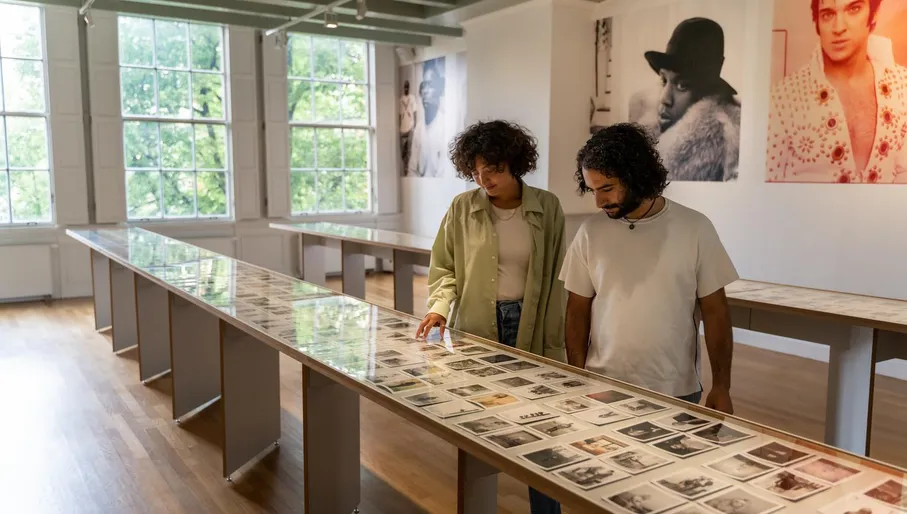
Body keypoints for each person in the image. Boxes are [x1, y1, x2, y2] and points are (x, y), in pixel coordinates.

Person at [415, 119, 567, 514]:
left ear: (516, 163)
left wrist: (560, 341)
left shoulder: (547, 207)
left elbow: (557, 277)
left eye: (494, 169)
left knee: (541, 427)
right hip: (477, 325)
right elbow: (444, 266)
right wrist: (439, 307)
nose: (485, 180)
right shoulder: (462, 208)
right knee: (478, 422)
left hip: (532, 325)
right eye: (476, 171)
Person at [560, 123, 737, 413]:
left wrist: (721, 386)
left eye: (607, 189)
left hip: (675, 388)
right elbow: (577, 310)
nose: (599, 201)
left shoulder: (695, 228)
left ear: (636, 177)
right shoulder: (590, 232)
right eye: (592, 190)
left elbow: (716, 311)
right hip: (602, 384)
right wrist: (576, 376)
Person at [766, 0, 907, 183]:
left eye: (854, 9)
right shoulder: (781, 99)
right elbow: (766, 189)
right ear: (817, 21)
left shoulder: (902, 86)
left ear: (874, 13)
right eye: (828, 14)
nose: (838, 28)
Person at [628, 17, 741, 182]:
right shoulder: (647, 138)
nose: (664, 99)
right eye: (664, 80)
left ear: (707, 92)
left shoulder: (725, 144)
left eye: (682, 85)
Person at [399, 80, 418, 175]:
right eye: (405, 87)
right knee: (403, 149)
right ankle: (405, 167)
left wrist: (415, 125)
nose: (406, 89)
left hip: (410, 126)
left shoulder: (412, 98)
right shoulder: (401, 99)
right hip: (403, 128)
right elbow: (399, 114)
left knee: (410, 148)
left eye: (407, 87)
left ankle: (408, 168)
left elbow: (415, 112)